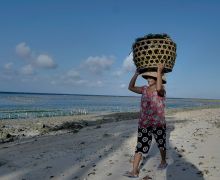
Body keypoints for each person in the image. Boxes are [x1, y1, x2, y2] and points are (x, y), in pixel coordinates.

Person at [124, 64, 167, 179]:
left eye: (151, 77)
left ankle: (163, 161)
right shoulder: (143, 89)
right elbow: (130, 87)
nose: (148, 79)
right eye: (147, 77)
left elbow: (158, 88)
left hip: (158, 123)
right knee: (139, 147)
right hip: (144, 123)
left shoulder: (162, 90)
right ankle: (134, 171)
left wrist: (159, 71)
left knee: (161, 144)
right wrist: (136, 73)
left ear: (158, 78)